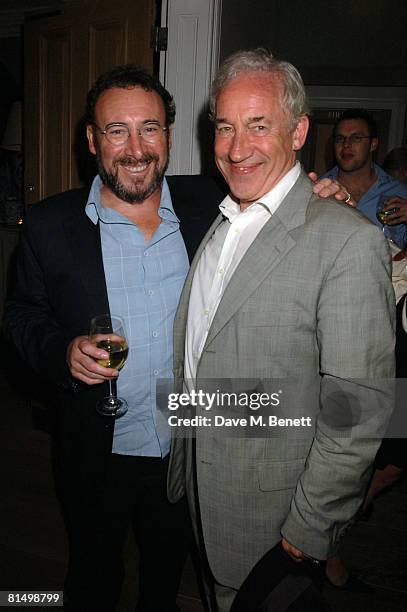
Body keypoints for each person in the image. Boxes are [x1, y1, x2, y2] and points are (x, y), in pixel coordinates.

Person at [2, 64, 346, 612]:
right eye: (117, 130)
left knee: (166, 575)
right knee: (93, 575)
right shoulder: (49, 225)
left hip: (188, 444)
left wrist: (321, 191)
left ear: (169, 134)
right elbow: (20, 313)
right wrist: (59, 350)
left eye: (151, 128)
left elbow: (276, 188)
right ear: (92, 140)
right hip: (97, 446)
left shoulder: (210, 203)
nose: (136, 149)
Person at [167, 49, 396, 612]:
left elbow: (359, 410)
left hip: (275, 519)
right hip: (200, 487)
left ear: (298, 131)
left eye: (258, 125)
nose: (237, 148)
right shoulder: (218, 221)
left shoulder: (347, 240)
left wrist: (307, 534)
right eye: (225, 127)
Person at [322, 108, 407, 248]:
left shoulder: (399, 192)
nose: (346, 145)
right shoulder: (318, 191)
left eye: (356, 138)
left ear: (373, 144)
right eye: (340, 139)